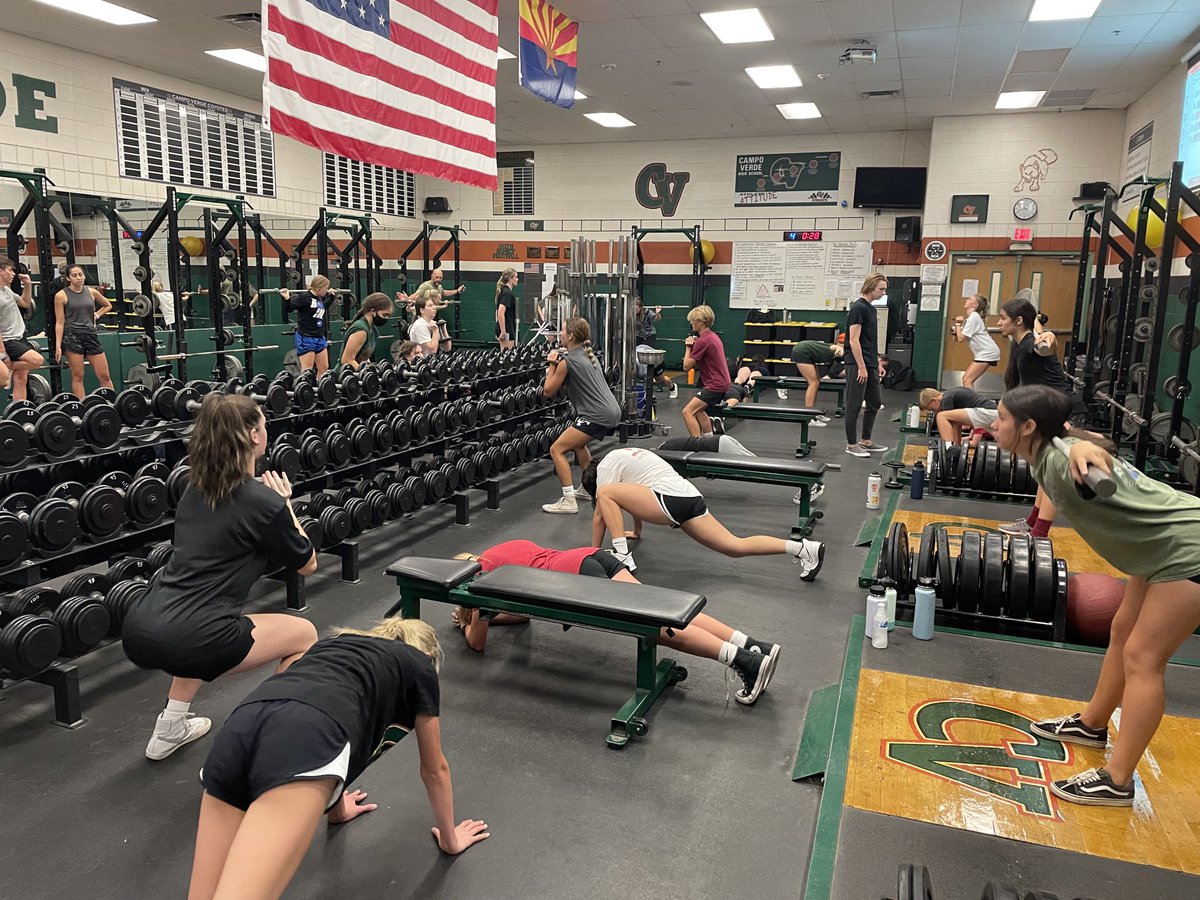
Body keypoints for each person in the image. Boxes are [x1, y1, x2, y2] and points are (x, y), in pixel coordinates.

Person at [991, 384, 1200, 808]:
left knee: (1143, 657)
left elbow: (1090, 452)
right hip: (1155, 548)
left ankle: (1117, 781)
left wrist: (1085, 455)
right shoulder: (1049, 452)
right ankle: (1092, 724)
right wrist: (1082, 447)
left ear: (1029, 427)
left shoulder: (1061, 459)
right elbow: (1090, 441)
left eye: (1000, 420)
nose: (994, 426)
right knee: (1122, 631)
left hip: (1185, 547)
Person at [188, 616, 489, 900]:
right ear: (427, 652)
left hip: (243, 722)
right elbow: (434, 769)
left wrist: (336, 807)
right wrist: (450, 840)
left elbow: (323, 709)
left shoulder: (332, 646)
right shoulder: (418, 665)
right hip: (307, 737)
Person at [120, 394, 319, 761]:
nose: (266, 429)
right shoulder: (265, 502)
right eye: (263, 423)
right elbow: (307, 563)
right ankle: (257, 741)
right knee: (305, 635)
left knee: (200, 627)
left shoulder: (193, 489)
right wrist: (286, 503)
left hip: (141, 625)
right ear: (254, 436)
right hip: (193, 636)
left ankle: (169, 728)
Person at [450, 540, 782, 705]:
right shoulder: (502, 549)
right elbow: (524, 612)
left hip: (577, 577)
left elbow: (476, 644)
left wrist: (469, 618)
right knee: (666, 608)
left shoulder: (482, 574)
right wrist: (489, 617)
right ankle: (751, 644)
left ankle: (745, 662)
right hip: (591, 558)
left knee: (657, 628)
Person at [581, 446, 825, 580]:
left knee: (606, 495)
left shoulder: (605, 468)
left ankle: (622, 556)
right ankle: (802, 548)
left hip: (669, 499)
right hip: (688, 496)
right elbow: (636, 494)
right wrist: (636, 530)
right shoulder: (626, 455)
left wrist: (592, 552)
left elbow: (601, 513)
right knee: (734, 547)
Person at [997, 295, 1071, 539]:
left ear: (1018, 321)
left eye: (1003, 318)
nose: (999, 323)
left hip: (1057, 409)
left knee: (1049, 472)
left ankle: (1039, 533)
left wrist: (1048, 337)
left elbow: (1045, 347)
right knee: (1041, 468)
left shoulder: (1031, 343)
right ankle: (1032, 523)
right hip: (1045, 407)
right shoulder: (1021, 342)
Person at [541, 316, 621, 515]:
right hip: (611, 411)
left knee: (557, 449)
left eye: (562, 330)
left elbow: (547, 391)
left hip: (597, 415)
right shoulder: (588, 355)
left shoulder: (566, 362)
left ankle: (568, 500)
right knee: (578, 444)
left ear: (571, 335)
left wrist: (551, 364)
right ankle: (587, 489)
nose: (559, 333)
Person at [53, 264, 115, 398]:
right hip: (72, 337)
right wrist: (58, 346)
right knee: (78, 376)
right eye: (74, 276)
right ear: (68, 278)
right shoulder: (61, 296)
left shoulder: (91, 292)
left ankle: (111, 405)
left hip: (90, 335)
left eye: (80, 275)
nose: (78, 278)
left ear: (84, 276)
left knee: (104, 375)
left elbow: (108, 305)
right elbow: (60, 322)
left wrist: (97, 315)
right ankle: (82, 408)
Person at [845, 273, 890, 458]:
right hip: (857, 364)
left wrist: (876, 362)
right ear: (871, 287)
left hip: (869, 362)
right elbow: (854, 340)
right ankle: (851, 444)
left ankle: (865, 440)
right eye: (881, 289)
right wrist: (862, 366)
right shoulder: (858, 308)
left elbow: (869, 341)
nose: (883, 292)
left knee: (875, 402)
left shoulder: (871, 309)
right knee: (854, 405)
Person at [681, 305, 730, 438]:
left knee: (687, 412)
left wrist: (688, 347)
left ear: (701, 322)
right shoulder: (712, 336)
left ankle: (698, 446)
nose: (691, 323)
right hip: (721, 383)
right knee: (699, 410)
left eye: (693, 320)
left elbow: (686, 366)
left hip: (715, 385)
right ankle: (709, 440)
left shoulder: (703, 341)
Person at [0, 257, 41, 400]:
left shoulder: (6, 290)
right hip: (8, 339)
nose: (13, 274)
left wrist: (27, 284)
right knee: (37, 360)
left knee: (21, 379)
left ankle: (20, 413)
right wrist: (2, 352)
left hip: (20, 337)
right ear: (1, 272)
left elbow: (25, 302)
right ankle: (7, 367)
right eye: (10, 270)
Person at [279, 275, 331, 375]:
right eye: (326, 288)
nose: (327, 290)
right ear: (319, 288)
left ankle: (320, 389)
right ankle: (306, 389)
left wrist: (332, 297)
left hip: (319, 337)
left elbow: (323, 307)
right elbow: (290, 308)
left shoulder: (319, 298)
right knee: (307, 370)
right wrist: (286, 297)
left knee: (324, 368)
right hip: (306, 337)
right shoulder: (304, 298)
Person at [950, 294, 1001, 389]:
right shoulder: (970, 318)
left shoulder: (974, 317)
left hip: (987, 352)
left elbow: (961, 339)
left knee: (967, 380)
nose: (966, 300)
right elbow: (956, 338)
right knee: (966, 379)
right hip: (983, 353)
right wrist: (957, 327)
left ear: (975, 304)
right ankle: (971, 401)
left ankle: (973, 403)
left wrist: (957, 324)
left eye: (970, 299)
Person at [918, 386, 999, 446]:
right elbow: (956, 425)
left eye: (932, 409)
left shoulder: (946, 399)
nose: (933, 411)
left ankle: (949, 448)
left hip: (987, 412)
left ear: (934, 400)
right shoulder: (951, 394)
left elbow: (951, 425)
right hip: (993, 413)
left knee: (941, 416)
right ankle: (953, 449)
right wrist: (957, 446)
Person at [790, 339, 842, 423]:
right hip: (801, 351)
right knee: (813, 383)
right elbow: (837, 348)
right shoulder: (839, 349)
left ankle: (814, 413)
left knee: (817, 381)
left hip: (809, 354)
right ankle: (809, 417)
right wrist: (839, 351)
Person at [339, 292, 394, 370]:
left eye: (388, 315)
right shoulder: (361, 330)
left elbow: (363, 359)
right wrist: (367, 373)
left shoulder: (374, 331)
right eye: (384, 315)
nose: (386, 318)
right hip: (345, 376)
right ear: (372, 311)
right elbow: (347, 360)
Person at [634, 296, 676, 398]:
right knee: (636, 353)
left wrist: (657, 312)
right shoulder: (630, 314)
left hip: (649, 335)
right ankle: (645, 377)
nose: (634, 310)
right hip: (639, 335)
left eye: (636, 308)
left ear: (640, 307)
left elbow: (658, 318)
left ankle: (672, 387)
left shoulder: (647, 312)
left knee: (644, 352)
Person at [495, 267, 518, 350]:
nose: (517, 279)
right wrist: (503, 331)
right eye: (515, 277)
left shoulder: (503, 291)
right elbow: (500, 313)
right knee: (507, 357)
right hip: (506, 329)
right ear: (510, 279)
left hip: (507, 327)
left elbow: (497, 312)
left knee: (505, 356)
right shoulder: (507, 292)